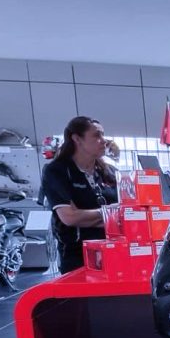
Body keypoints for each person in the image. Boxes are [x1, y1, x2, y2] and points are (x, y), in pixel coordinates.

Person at [40, 116, 118, 273]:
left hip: (115, 253)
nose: (104, 140)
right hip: (77, 259)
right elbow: (70, 217)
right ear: (77, 139)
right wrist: (111, 214)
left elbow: (127, 214)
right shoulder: (57, 171)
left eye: (103, 134)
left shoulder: (109, 172)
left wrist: (90, 218)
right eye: (97, 135)